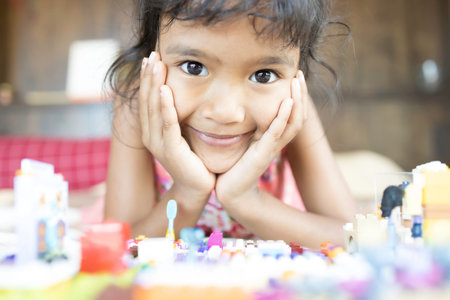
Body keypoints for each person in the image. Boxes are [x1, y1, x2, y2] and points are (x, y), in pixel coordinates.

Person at [104, 0, 356, 249]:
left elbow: (352, 237)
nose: (226, 112)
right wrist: (187, 193)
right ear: (152, 58)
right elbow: (116, 245)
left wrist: (245, 199)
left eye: (263, 75)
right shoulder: (137, 105)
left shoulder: (291, 109)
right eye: (194, 67)